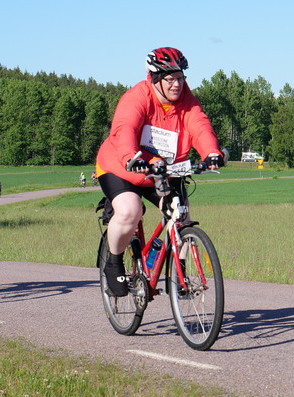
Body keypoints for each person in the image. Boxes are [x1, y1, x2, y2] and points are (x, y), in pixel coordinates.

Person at [94, 47, 225, 296]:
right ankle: (114, 261)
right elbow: (125, 129)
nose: (177, 84)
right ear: (155, 79)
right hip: (122, 167)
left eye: (181, 78)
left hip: (163, 170)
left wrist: (211, 152)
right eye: (170, 79)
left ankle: (179, 273)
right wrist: (130, 157)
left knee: (180, 215)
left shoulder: (187, 100)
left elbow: (200, 125)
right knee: (130, 211)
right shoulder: (136, 97)